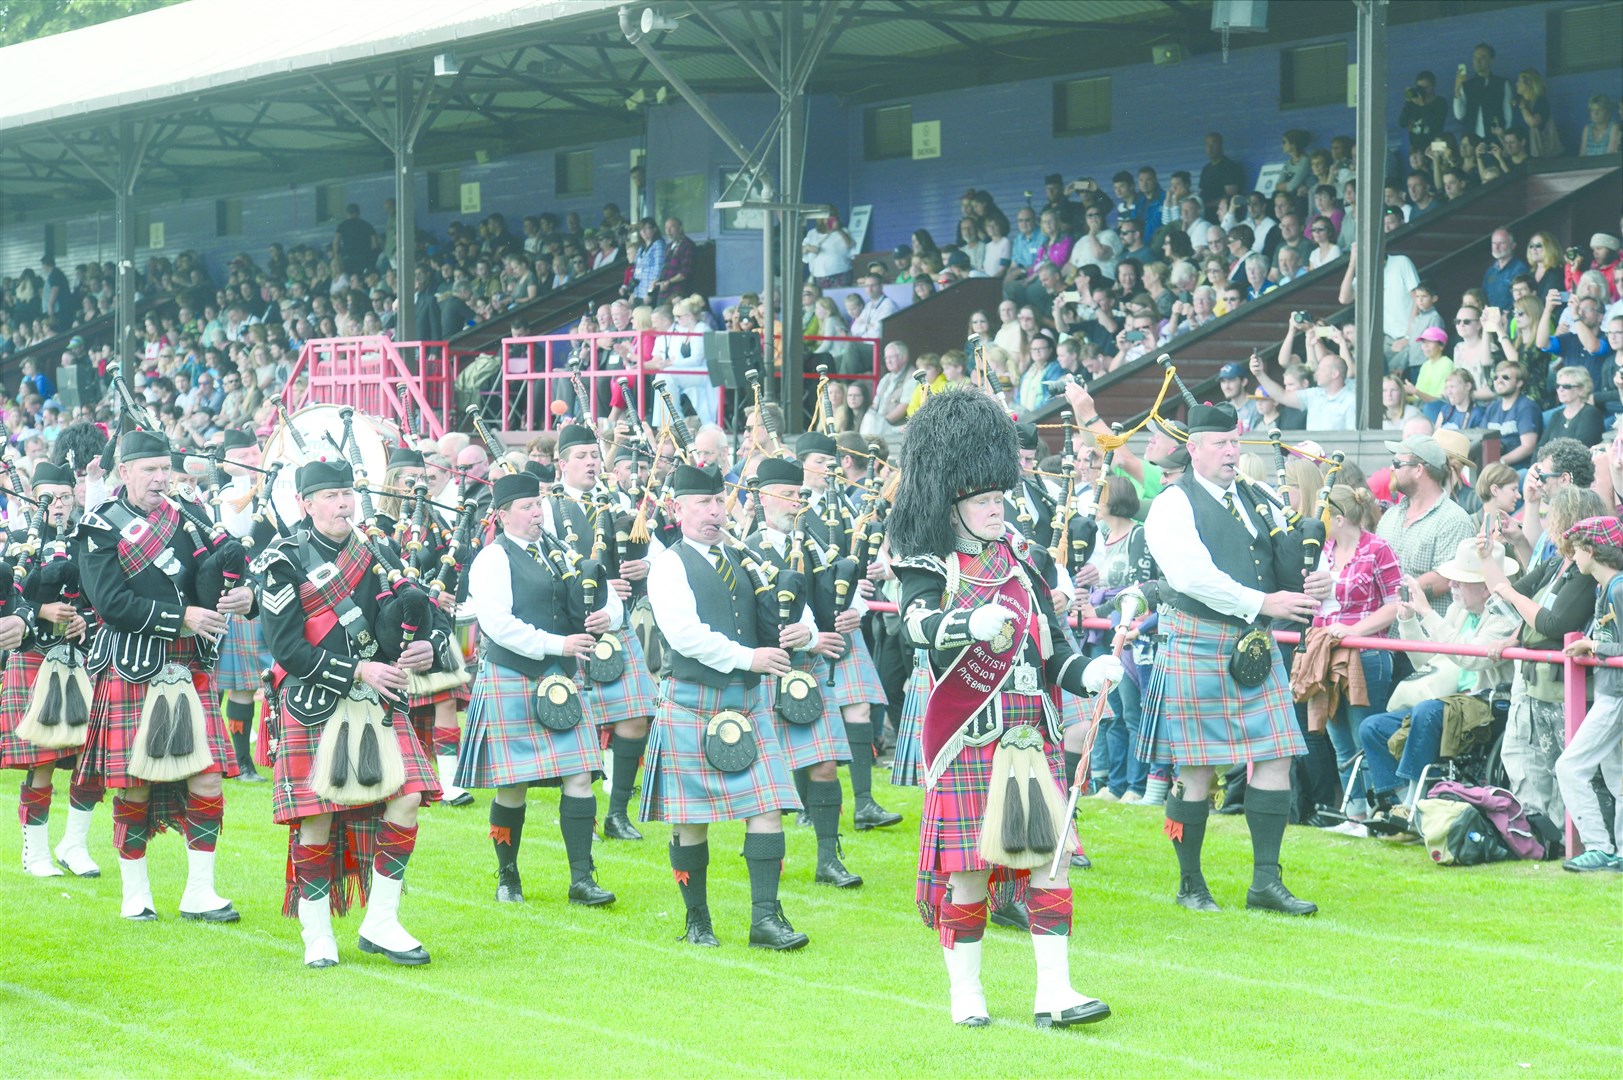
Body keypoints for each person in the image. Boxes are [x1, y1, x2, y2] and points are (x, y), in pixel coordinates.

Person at [892, 389, 1112, 1029]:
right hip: (967, 737)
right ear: (951, 501)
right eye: (984, 501)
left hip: (1025, 737)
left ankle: (1056, 992)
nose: (997, 509)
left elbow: (1053, 649)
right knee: (969, 874)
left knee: (1049, 861)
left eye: (1000, 499)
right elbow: (915, 626)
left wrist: (1086, 671)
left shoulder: (1024, 562)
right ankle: (968, 995)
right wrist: (965, 623)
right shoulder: (929, 562)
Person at [1126, 395, 1328, 917]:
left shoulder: (1257, 494)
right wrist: (1263, 603)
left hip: (1251, 646)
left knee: (1277, 755)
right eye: (1221, 444)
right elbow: (1191, 576)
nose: (1232, 452)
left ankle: (1266, 882)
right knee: (1197, 769)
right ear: (1193, 449)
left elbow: (1286, 558)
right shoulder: (1173, 503)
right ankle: (1190, 883)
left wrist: (1316, 579)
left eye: (1236, 442)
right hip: (1198, 639)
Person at [257, 460, 454, 968]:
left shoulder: (378, 549)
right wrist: (358, 671)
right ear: (305, 503)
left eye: (347, 493)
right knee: (317, 816)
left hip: (379, 701)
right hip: (317, 699)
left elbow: (431, 613)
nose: (343, 504)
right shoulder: (282, 560)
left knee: (409, 795)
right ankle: (317, 933)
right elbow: (284, 649)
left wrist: (426, 646)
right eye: (330, 496)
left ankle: (381, 921)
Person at [74, 429, 252, 925]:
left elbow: (217, 572)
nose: (159, 479)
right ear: (123, 472)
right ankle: (136, 894)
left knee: (209, 774)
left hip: (188, 662)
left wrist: (244, 595)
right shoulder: (99, 527)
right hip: (132, 662)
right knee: (133, 782)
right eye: (148, 469)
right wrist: (182, 618)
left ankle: (200, 892)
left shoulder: (188, 518)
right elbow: (109, 604)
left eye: (164, 469)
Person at [643, 462, 812, 950]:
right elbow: (685, 636)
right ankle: (698, 920)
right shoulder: (670, 565)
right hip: (692, 701)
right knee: (690, 819)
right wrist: (750, 657)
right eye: (702, 504)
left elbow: (794, 614)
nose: (714, 512)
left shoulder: (745, 556)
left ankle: (766, 919)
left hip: (747, 703)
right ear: (679, 509)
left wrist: (808, 633)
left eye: (720, 503)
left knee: (767, 808)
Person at [459, 470, 620, 907]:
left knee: (580, 776)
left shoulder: (560, 551)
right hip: (514, 676)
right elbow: (499, 626)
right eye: (528, 507)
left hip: (562, 679)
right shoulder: (492, 559)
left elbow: (604, 594)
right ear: (503, 514)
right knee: (513, 786)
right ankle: (508, 875)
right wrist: (558, 644)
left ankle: (582, 879)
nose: (537, 512)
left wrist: (610, 617)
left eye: (539, 504)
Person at [746, 459, 865, 888]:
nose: (797, 502)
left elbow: (840, 591)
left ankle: (828, 859)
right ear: (763, 497)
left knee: (825, 766)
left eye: (799, 495)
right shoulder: (747, 549)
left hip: (809, 671)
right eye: (788, 495)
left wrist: (851, 613)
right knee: (766, 777)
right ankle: (764, 854)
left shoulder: (812, 544)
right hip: (765, 673)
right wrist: (809, 637)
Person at [544, 425, 659, 842]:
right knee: (575, 724)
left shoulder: (621, 502)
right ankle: (578, 815)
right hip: (572, 629)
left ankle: (617, 813)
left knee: (634, 718)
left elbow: (659, 551)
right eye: (581, 456)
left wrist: (646, 567)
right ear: (562, 464)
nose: (591, 462)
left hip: (617, 626)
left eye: (595, 454)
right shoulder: (547, 508)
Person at [1354, 537, 1519, 829]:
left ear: (1485, 587)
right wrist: (1408, 620)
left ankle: (1413, 805)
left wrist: (1428, 613)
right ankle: (1397, 805)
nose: (1452, 586)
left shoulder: (1504, 616)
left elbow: (1472, 660)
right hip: (1449, 701)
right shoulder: (1460, 611)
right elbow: (1428, 662)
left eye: (1459, 581)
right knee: (1372, 727)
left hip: (1488, 704)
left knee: (1427, 711)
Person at [0, 463, 100, 879]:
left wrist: (85, 621)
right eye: (50, 496)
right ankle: (36, 852)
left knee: (89, 759)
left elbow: (104, 598)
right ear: (34, 498)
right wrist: (39, 609)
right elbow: (8, 597)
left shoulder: (89, 543)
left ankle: (73, 844)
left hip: (78, 658)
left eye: (65, 496)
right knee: (42, 760)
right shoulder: (17, 544)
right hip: (34, 655)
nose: (58, 504)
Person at [1555, 516, 1623, 871]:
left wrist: (1593, 644)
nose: (1573, 557)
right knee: (1618, 776)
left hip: (1617, 694)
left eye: (1577, 549)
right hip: (1613, 690)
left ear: (1592, 550)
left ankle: (1598, 845)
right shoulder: (1608, 587)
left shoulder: (1618, 588)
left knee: (1569, 766)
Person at [1376, 434, 1479, 616]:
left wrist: (1389, 593)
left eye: (1398, 463)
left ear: (1418, 470)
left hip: (1426, 639)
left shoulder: (1454, 520)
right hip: (1385, 637)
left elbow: (1445, 579)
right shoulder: (1390, 516)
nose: (1392, 468)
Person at [1477, 360, 1541, 469]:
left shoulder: (1527, 407)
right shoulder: (1492, 407)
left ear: (1519, 383)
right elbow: (1480, 438)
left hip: (1517, 468)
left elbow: (1528, 446)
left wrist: (1500, 462)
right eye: (1496, 377)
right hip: (1491, 466)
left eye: (1505, 377)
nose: (1499, 381)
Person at [1453, 43, 1513, 140]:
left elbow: (1508, 115)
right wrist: (1457, 88)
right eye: (1475, 57)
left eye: (1482, 57)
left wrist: (1505, 137)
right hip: (1472, 140)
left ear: (1491, 60)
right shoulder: (1466, 85)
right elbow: (1459, 115)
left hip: (1496, 138)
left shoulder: (1502, 84)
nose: (1477, 61)